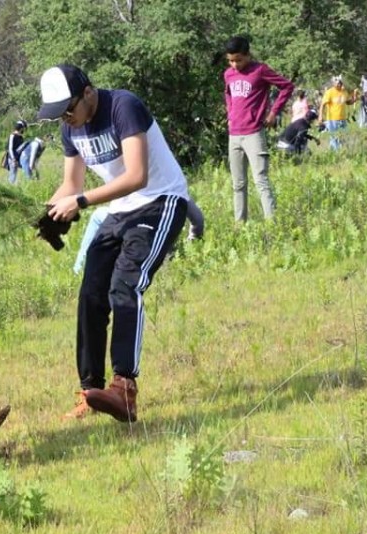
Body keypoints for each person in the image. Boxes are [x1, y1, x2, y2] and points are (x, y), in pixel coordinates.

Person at [36, 64, 189, 422]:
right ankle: (90, 392)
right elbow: (71, 186)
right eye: (59, 114)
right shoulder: (69, 128)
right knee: (91, 292)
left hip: (160, 201)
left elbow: (137, 176)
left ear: (88, 92)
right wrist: (48, 211)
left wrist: (83, 202)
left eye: (69, 109)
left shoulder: (124, 107)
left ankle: (124, 389)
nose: (67, 118)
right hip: (120, 209)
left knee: (125, 284)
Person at [223, 35, 293, 222]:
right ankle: (240, 226)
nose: (235, 65)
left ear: (248, 55)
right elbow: (228, 94)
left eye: (238, 59)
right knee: (238, 184)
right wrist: (230, 115)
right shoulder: (228, 74)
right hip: (234, 135)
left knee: (260, 180)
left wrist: (273, 113)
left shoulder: (260, 70)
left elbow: (286, 87)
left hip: (254, 133)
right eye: (230, 61)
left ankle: (273, 225)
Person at [73, 199, 205, 274]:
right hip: (163, 242)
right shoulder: (174, 186)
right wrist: (191, 242)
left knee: (98, 215)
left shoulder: (140, 180)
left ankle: (79, 268)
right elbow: (198, 220)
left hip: (138, 232)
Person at [319, 75, 357, 150]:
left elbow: (348, 102)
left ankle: (337, 153)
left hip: (343, 119)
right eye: (336, 83)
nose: (338, 84)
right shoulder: (329, 92)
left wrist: (354, 99)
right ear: (333, 83)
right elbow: (322, 104)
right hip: (332, 120)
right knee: (334, 138)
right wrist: (320, 116)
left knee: (344, 137)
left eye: (339, 82)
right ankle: (337, 154)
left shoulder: (344, 92)